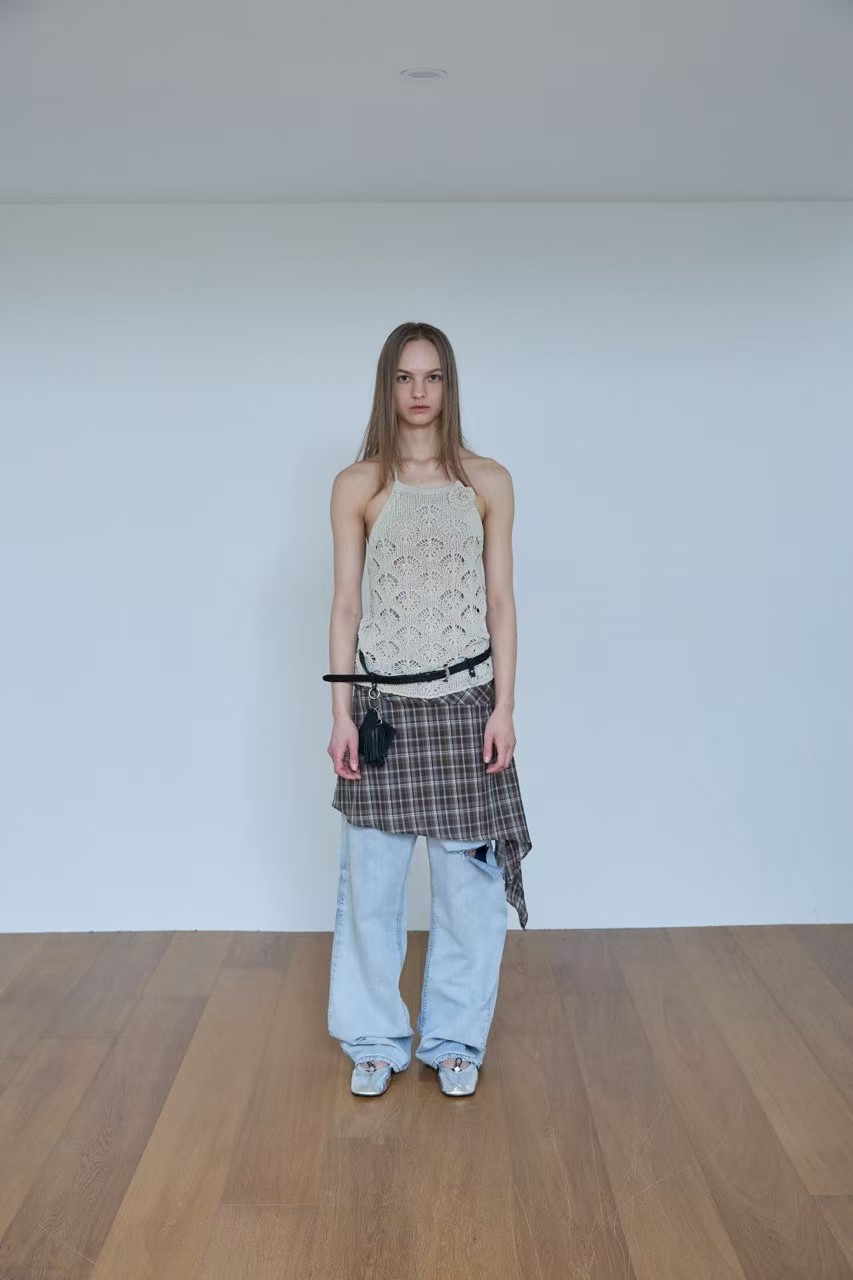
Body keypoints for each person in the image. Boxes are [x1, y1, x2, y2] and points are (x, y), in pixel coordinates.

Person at [323, 321, 532, 1098]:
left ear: (449, 385)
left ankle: (453, 1040)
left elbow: (501, 602)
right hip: (383, 711)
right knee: (370, 889)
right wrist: (340, 713)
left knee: (468, 892)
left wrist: (503, 707)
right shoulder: (358, 485)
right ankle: (374, 1039)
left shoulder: (487, 482)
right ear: (387, 385)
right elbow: (346, 604)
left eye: (433, 376)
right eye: (405, 377)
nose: (419, 392)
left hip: (465, 705)